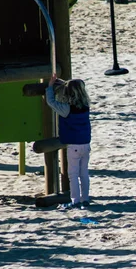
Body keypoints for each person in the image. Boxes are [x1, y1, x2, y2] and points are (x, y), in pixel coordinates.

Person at [45, 73, 92, 209]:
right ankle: (85, 199)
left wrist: (49, 87)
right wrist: (63, 82)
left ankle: (75, 201)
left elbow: (51, 102)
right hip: (86, 144)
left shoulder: (67, 109)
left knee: (73, 175)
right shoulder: (85, 106)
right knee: (84, 174)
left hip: (73, 146)